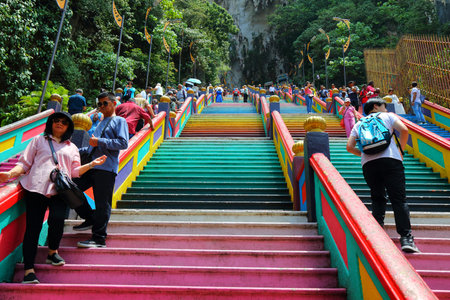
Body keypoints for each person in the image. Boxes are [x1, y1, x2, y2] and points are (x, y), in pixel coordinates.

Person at [0, 112, 106, 284]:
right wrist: (10, 174)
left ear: (68, 127)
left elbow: (74, 172)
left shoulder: (72, 148)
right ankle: (28, 270)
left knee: (57, 221)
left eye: (64, 122)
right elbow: (24, 163)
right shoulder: (38, 140)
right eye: (56, 121)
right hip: (36, 188)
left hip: (60, 190)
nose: (59, 124)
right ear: (50, 123)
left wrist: (92, 164)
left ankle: (52, 252)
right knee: (33, 229)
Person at [346, 98, 419, 253]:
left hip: (369, 165)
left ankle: (376, 237)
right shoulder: (388, 116)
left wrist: (364, 155)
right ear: (376, 106)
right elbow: (404, 130)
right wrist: (401, 151)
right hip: (391, 160)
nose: (385, 109)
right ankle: (406, 238)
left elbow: (349, 147)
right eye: (384, 107)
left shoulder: (359, 123)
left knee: (377, 198)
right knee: (398, 199)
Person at [72, 92, 129, 248]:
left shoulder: (119, 121)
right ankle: (90, 217)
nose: (102, 106)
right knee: (70, 189)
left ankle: (99, 239)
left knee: (102, 203)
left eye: (105, 103)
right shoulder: (100, 123)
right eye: (99, 104)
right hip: (91, 165)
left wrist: (100, 141)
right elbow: (92, 146)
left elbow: (123, 143)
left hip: (106, 167)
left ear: (113, 103)